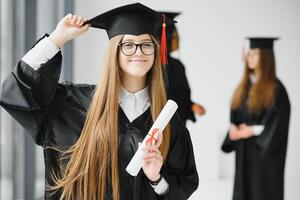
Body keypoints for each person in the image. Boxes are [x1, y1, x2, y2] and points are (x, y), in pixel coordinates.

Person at [0, 3, 198, 200]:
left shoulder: (166, 123)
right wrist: (56, 39)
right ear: (115, 51)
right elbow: (14, 91)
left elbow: (182, 186)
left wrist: (156, 178)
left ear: (155, 51)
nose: (139, 51)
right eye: (128, 44)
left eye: (146, 44)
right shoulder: (72, 104)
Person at [221, 37, 290, 200]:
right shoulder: (245, 86)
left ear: (266, 58)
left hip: (264, 156)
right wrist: (233, 131)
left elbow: (278, 124)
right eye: (249, 54)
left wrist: (249, 131)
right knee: (243, 191)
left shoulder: (276, 89)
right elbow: (236, 115)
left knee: (262, 192)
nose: (249, 57)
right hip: (245, 152)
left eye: (254, 54)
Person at [157, 12, 206, 125]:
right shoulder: (152, 66)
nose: (178, 39)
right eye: (174, 36)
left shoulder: (177, 65)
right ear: (165, 38)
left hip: (178, 124)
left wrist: (192, 106)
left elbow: (180, 96)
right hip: (158, 125)